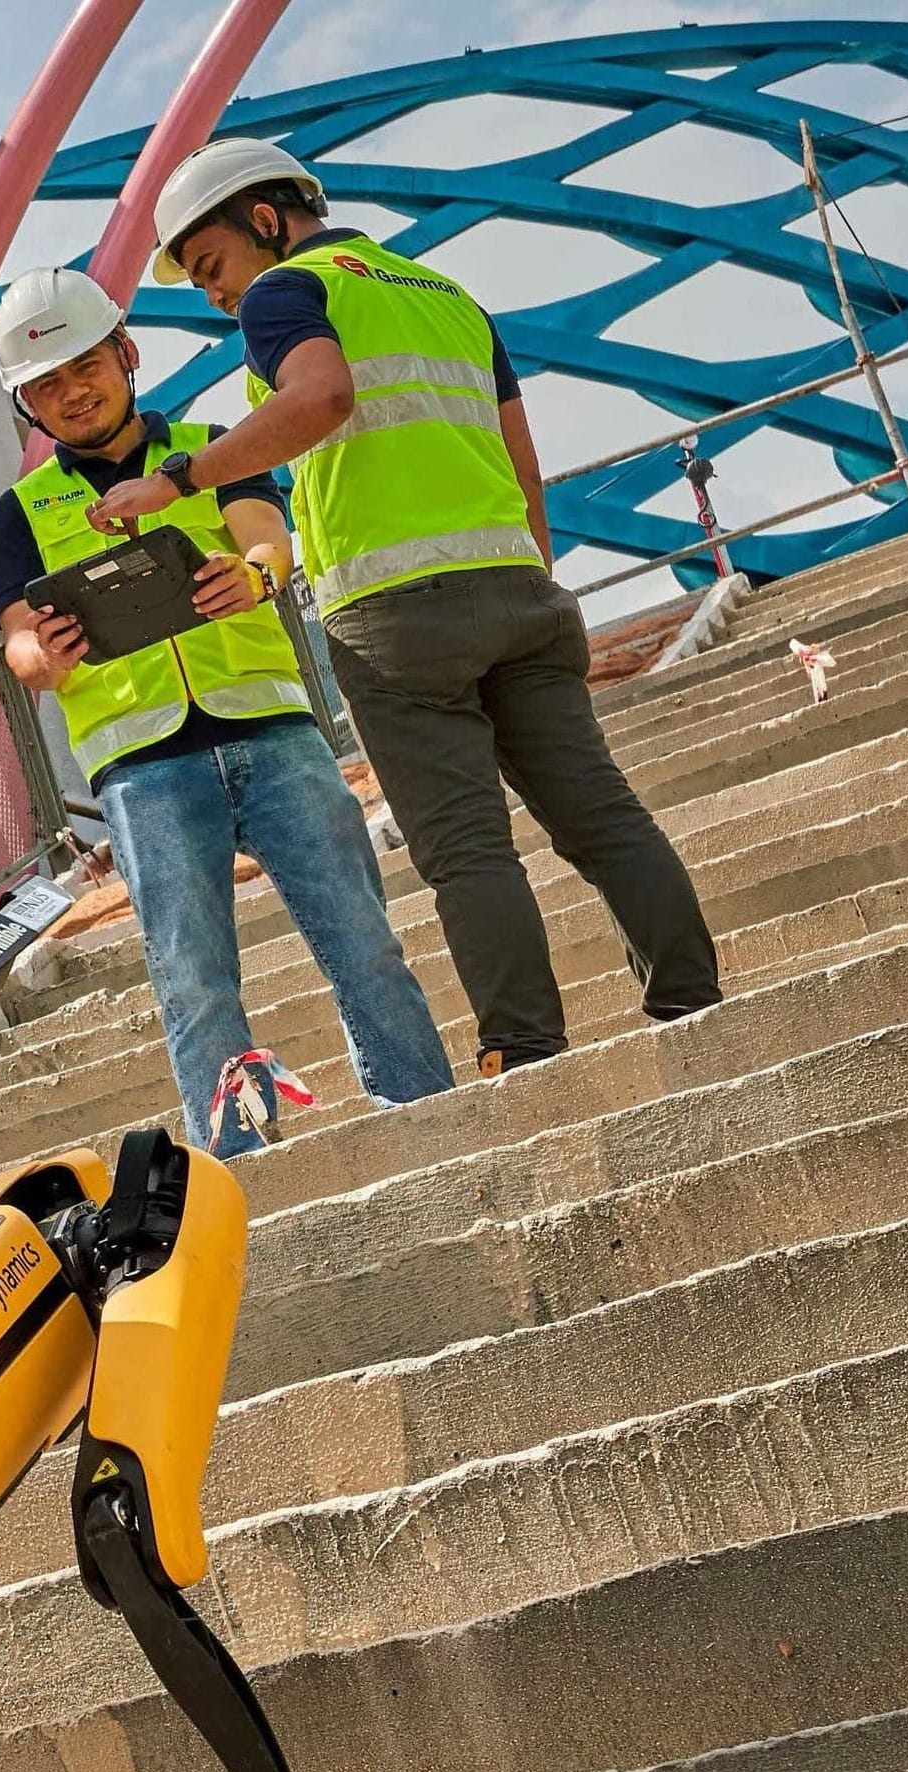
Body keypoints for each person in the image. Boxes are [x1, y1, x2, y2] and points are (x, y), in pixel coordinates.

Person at [101, 139, 721, 1075]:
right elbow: (521, 460)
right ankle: (693, 1004)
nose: (214, 293)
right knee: (603, 817)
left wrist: (179, 478)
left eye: (211, 265)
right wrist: (538, 583)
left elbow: (323, 397)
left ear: (265, 220)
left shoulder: (288, 293)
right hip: (516, 591)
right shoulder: (446, 296)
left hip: (396, 619)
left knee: (469, 852)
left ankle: (529, 1056)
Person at [0, 266, 454, 1147]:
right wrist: (38, 656)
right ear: (27, 404)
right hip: (143, 772)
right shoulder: (19, 513)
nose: (73, 391)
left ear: (126, 354)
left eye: (85, 365)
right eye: (46, 383)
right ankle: (238, 1160)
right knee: (192, 979)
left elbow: (270, 544)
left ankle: (423, 1113)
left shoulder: (210, 448)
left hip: (272, 735)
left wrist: (254, 576)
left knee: (363, 940)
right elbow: (16, 642)